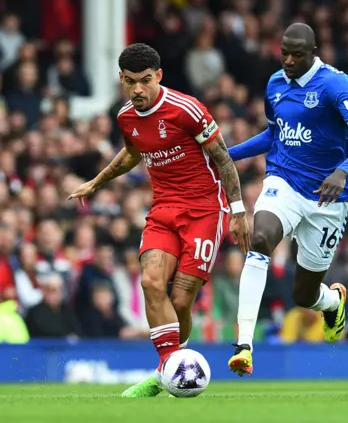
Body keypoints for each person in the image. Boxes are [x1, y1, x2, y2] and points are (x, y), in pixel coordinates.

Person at [68, 43, 250, 397]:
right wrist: (97, 181)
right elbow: (133, 153)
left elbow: (224, 159)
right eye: (130, 82)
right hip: (164, 209)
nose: (138, 89)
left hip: (204, 210)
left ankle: (164, 370)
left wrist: (238, 210)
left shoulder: (187, 110)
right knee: (151, 282)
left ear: (159, 77)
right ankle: (168, 368)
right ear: (121, 79)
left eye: (145, 81)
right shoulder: (125, 117)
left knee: (181, 301)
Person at [226, 23, 348, 376]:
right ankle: (244, 345)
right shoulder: (275, 84)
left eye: (297, 55)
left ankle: (333, 303)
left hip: (328, 198)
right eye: (285, 54)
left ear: (314, 52)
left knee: (304, 294)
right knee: (260, 239)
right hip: (284, 182)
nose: (289, 61)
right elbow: (274, 134)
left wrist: (343, 171)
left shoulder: (335, 84)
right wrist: (227, 154)